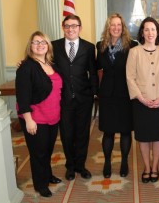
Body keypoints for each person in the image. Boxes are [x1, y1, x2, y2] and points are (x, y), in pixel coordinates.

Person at [126, 17, 159, 183]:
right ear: (142, 33)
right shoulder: (134, 52)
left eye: (153, 29)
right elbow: (130, 78)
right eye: (146, 29)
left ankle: (155, 167)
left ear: (157, 32)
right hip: (141, 102)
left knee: (158, 135)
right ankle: (147, 167)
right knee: (144, 136)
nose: (150, 33)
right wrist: (141, 98)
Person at [16, 31, 63, 197]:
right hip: (36, 118)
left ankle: (47, 175)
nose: (40, 45)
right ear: (30, 46)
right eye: (36, 42)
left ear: (48, 46)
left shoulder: (52, 64)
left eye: (43, 42)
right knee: (38, 153)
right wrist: (29, 120)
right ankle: (40, 184)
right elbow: (22, 97)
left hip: (53, 117)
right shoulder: (26, 67)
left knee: (48, 150)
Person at [52, 14, 98, 181]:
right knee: (66, 134)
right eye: (67, 26)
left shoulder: (88, 47)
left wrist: (94, 93)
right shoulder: (54, 46)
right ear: (63, 27)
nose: (71, 29)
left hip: (84, 98)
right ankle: (70, 166)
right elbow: (43, 65)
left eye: (74, 26)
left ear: (80, 28)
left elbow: (92, 72)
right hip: (62, 99)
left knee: (82, 133)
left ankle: (80, 165)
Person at [96, 13, 138, 178]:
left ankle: (124, 162)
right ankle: (107, 162)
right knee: (108, 132)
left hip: (125, 94)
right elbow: (96, 68)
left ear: (123, 27)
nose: (116, 28)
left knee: (126, 131)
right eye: (112, 25)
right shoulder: (100, 45)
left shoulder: (132, 45)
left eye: (119, 25)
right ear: (108, 27)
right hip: (107, 95)